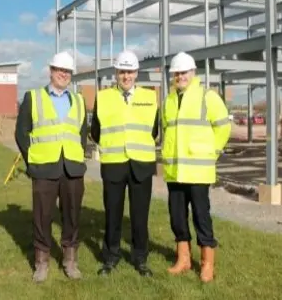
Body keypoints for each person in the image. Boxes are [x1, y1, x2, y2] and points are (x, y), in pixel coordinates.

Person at [15, 51, 88, 283]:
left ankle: (70, 260)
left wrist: (77, 159)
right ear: (51, 71)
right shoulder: (33, 97)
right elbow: (20, 133)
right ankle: (42, 262)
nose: (63, 74)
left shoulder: (78, 100)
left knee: (73, 215)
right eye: (59, 70)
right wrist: (32, 160)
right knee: (42, 216)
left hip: (73, 169)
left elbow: (82, 135)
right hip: (44, 168)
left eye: (67, 71)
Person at [162, 51, 231, 283]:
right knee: (177, 218)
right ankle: (183, 259)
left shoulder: (207, 97)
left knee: (202, 217)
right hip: (175, 172)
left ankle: (207, 263)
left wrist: (213, 152)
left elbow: (223, 127)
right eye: (177, 73)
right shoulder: (169, 100)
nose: (180, 76)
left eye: (184, 72)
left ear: (193, 73)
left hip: (199, 172)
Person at [90, 50, 159, 277]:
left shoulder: (150, 97)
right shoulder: (103, 97)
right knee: (112, 214)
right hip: (114, 164)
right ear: (116, 73)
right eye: (122, 72)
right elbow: (96, 132)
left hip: (141, 165)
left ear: (136, 73)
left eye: (130, 72)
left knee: (140, 216)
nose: (126, 76)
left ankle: (140, 258)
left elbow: (155, 130)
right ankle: (111, 257)